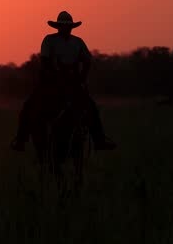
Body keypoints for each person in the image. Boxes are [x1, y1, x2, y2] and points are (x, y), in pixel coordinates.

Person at [11, 11, 116, 152]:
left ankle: (99, 140)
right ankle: (21, 140)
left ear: (72, 27)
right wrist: (54, 74)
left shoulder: (78, 42)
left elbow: (87, 60)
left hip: (73, 81)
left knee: (90, 106)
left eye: (69, 26)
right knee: (29, 105)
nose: (66, 28)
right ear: (58, 26)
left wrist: (82, 76)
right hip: (51, 80)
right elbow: (45, 61)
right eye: (63, 26)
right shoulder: (49, 40)